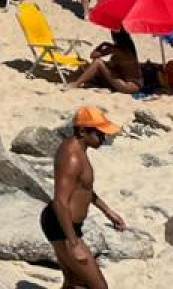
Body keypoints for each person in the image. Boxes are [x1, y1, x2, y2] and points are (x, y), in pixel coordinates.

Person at [46, 107, 127, 289]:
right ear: (82, 131)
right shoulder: (72, 157)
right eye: (99, 133)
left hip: (63, 225)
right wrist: (74, 243)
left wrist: (107, 210)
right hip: (62, 227)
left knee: (75, 283)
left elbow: (84, 188)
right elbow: (60, 201)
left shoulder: (80, 149)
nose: (104, 138)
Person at [70, 30, 143, 94]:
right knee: (103, 66)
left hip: (126, 86)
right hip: (135, 85)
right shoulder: (130, 49)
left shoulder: (114, 48)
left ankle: (76, 84)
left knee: (98, 63)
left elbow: (93, 55)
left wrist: (103, 44)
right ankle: (85, 82)